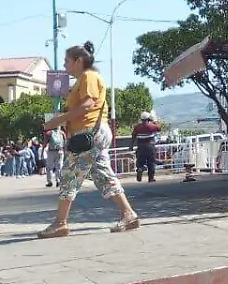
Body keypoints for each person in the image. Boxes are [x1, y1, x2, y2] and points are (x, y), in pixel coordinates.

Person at [37, 42, 140, 239]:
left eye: (67, 61)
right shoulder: (85, 78)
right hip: (93, 133)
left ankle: (60, 223)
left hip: (88, 133)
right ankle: (128, 214)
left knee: (69, 176)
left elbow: (87, 105)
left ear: (79, 61)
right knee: (102, 175)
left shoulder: (88, 76)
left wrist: (56, 120)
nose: (65, 65)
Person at [130, 111, 161, 183]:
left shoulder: (137, 127)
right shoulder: (151, 126)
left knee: (140, 162)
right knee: (151, 163)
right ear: (148, 118)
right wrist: (154, 120)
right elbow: (159, 128)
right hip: (150, 147)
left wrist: (131, 146)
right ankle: (151, 179)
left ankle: (140, 169)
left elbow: (133, 136)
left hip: (140, 147)